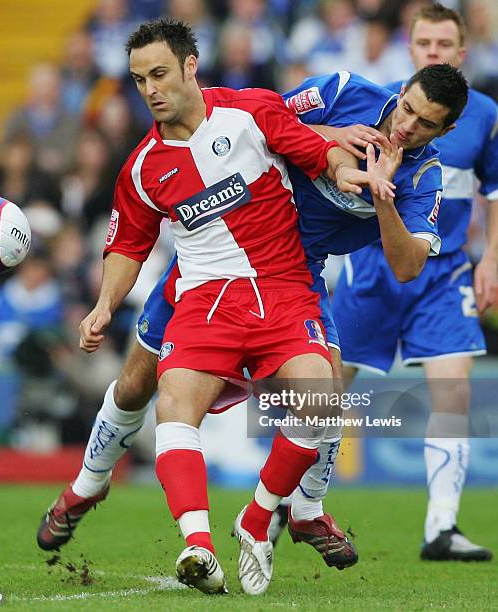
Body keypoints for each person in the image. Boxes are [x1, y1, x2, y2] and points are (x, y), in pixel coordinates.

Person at [36, 57, 471, 585]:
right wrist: (331, 134)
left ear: (445, 131)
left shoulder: (425, 178)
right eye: (407, 109)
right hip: (218, 254)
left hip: (295, 273)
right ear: (401, 91)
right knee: (133, 386)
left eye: (425, 124)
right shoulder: (341, 91)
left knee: (327, 391)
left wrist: (382, 194)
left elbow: (406, 267)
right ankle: (88, 483)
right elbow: (255, 118)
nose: (407, 126)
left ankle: (304, 512)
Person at [332, 3, 497, 561]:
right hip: (374, 265)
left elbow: (493, 193)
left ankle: (441, 528)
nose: (433, 52)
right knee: (323, 391)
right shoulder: (381, 105)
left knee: (454, 389)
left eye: (443, 45)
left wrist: (491, 257)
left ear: (460, 52)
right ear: (411, 50)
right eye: (424, 43)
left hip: (444, 269)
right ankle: (285, 507)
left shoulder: (485, 115)